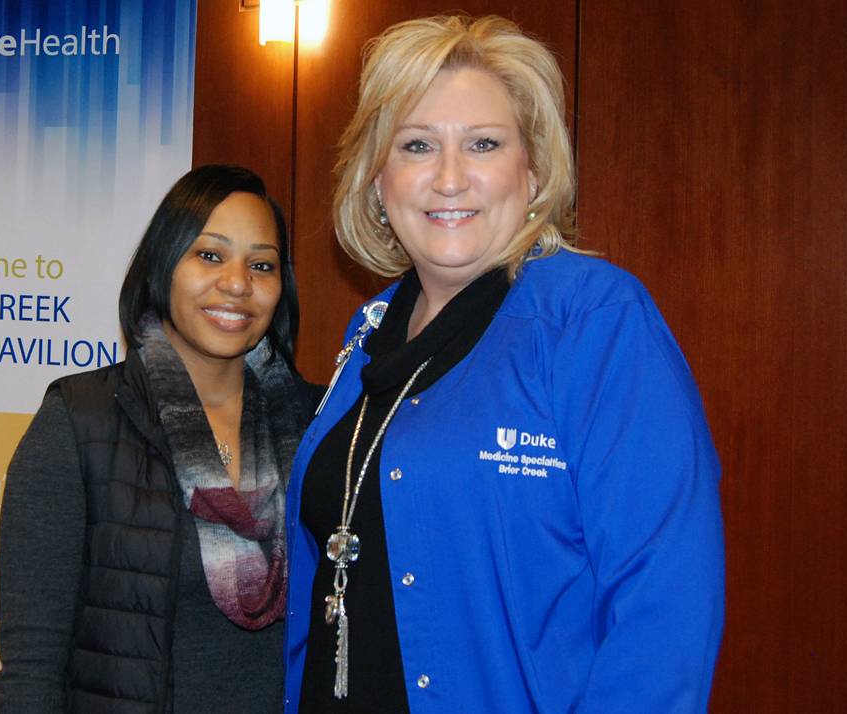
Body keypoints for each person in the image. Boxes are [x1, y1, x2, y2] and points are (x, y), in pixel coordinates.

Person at [284, 15, 725, 713]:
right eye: (418, 145)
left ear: (535, 169)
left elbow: (664, 607)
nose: (449, 178)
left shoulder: (594, 320)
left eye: (484, 144)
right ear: (378, 177)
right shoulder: (367, 332)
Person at [0, 165, 317, 713]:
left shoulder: (318, 424)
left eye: (260, 264)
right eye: (210, 255)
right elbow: (32, 667)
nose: (237, 283)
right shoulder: (80, 423)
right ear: (164, 264)